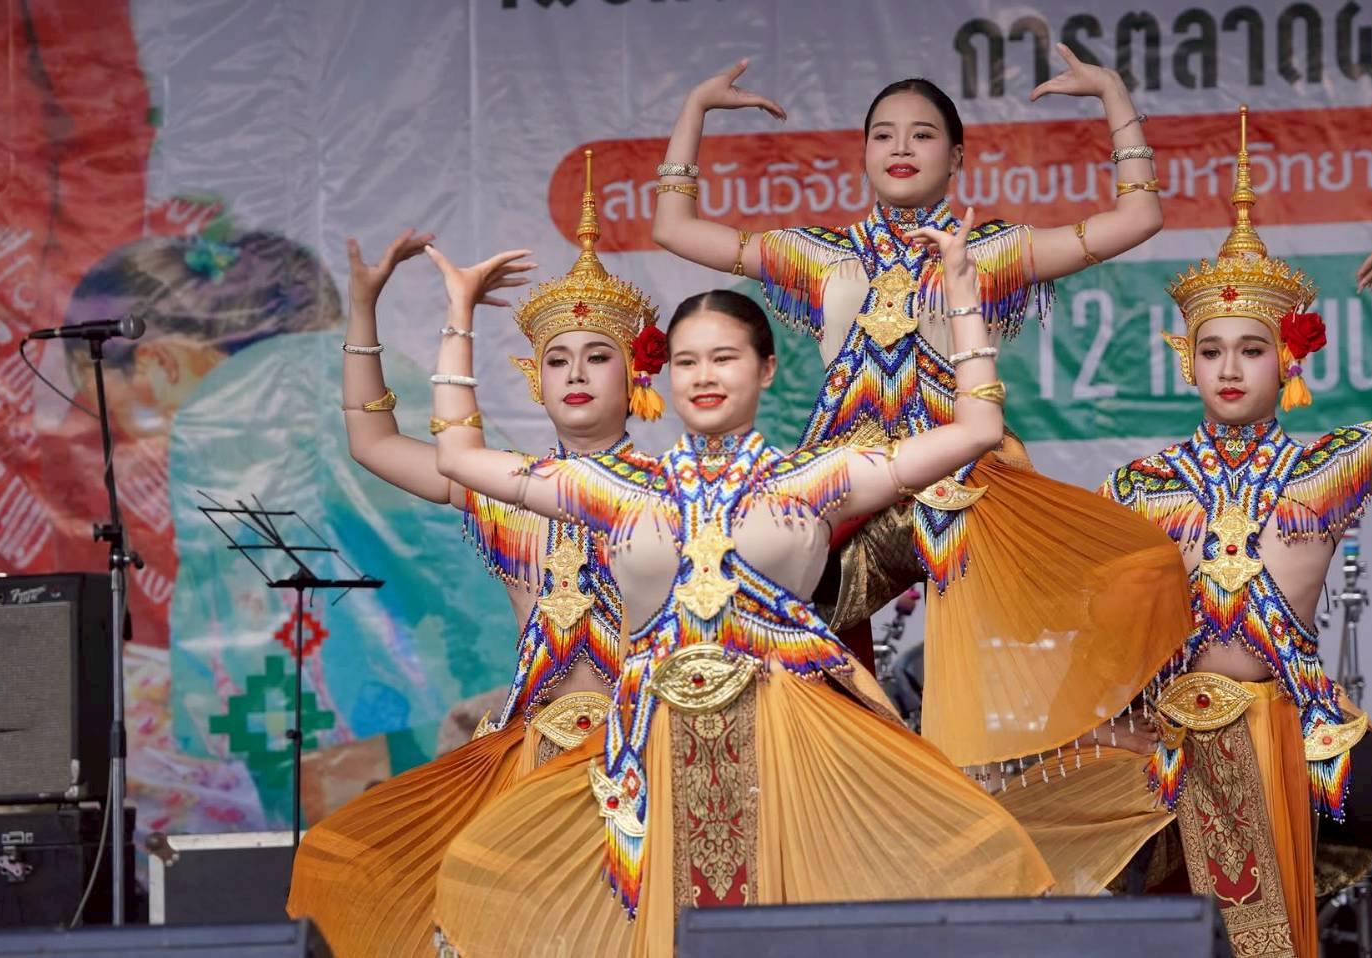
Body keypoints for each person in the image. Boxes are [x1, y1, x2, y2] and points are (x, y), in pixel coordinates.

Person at [425, 199, 1051, 957]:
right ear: (665, 375)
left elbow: (977, 430)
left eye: (724, 358)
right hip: (653, 748)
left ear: (766, 369)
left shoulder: (816, 479)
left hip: (791, 743)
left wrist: (960, 291)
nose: (704, 376)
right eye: (687, 361)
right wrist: (458, 315)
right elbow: (459, 457)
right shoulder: (616, 489)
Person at [650, 53, 1188, 775]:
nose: (901, 148)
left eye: (923, 134)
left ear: (957, 156)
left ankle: (1067, 746)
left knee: (1129, 574)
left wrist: (1114, 97)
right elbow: (675, 228)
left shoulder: (990, 251)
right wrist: (694, 108)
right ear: (863, 153)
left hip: (963, 482)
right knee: (754, 610)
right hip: (846, 486)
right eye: (884, 135)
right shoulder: (820, 255)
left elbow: (1140, 217)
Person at [1100, 108, 1372, 958]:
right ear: (1187, 361)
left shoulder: (1329, 467)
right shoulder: (1139, 486)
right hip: (1184, 741)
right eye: (1211, 350)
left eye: (1251, 349)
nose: (1229, 368)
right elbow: (1100, 629)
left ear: (1287, 360)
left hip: (1308, 734)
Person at [287, 166, 669, 956]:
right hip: (529, 754)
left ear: (637, 372)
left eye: (596, 356)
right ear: (534, 379)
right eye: (556, 360)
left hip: (641, 754)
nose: (574, 374)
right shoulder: (506, 492)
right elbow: (373, 442)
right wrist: (365, 308)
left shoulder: (674, 496)